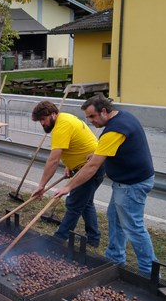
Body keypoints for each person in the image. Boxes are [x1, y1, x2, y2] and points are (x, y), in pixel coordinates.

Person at [54, 95, 157, 277]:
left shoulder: (114, 130)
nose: (90, 121)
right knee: (115, 219)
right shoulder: (122, 117)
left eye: (92, 117)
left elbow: (93, 167)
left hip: (132, 184)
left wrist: (68, 187)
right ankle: (115, 259)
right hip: (124, 182)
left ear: (104, 111)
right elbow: (111, 149)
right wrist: (96, 152)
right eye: (88, 117)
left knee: (133, 227)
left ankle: (149, 273)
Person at [30, 101, 104, 247]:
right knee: (86, 203)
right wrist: (71, 165)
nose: (42, 124)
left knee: (74, 204)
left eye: (43, 120)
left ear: (52, 114)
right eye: (40, 121)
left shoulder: (61, 127)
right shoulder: (65, 118)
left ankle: (58, 239)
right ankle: (93, 238)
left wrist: (42, 185)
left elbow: (53, 160)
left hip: (89, 168)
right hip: (93, 165)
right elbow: (75, 145)